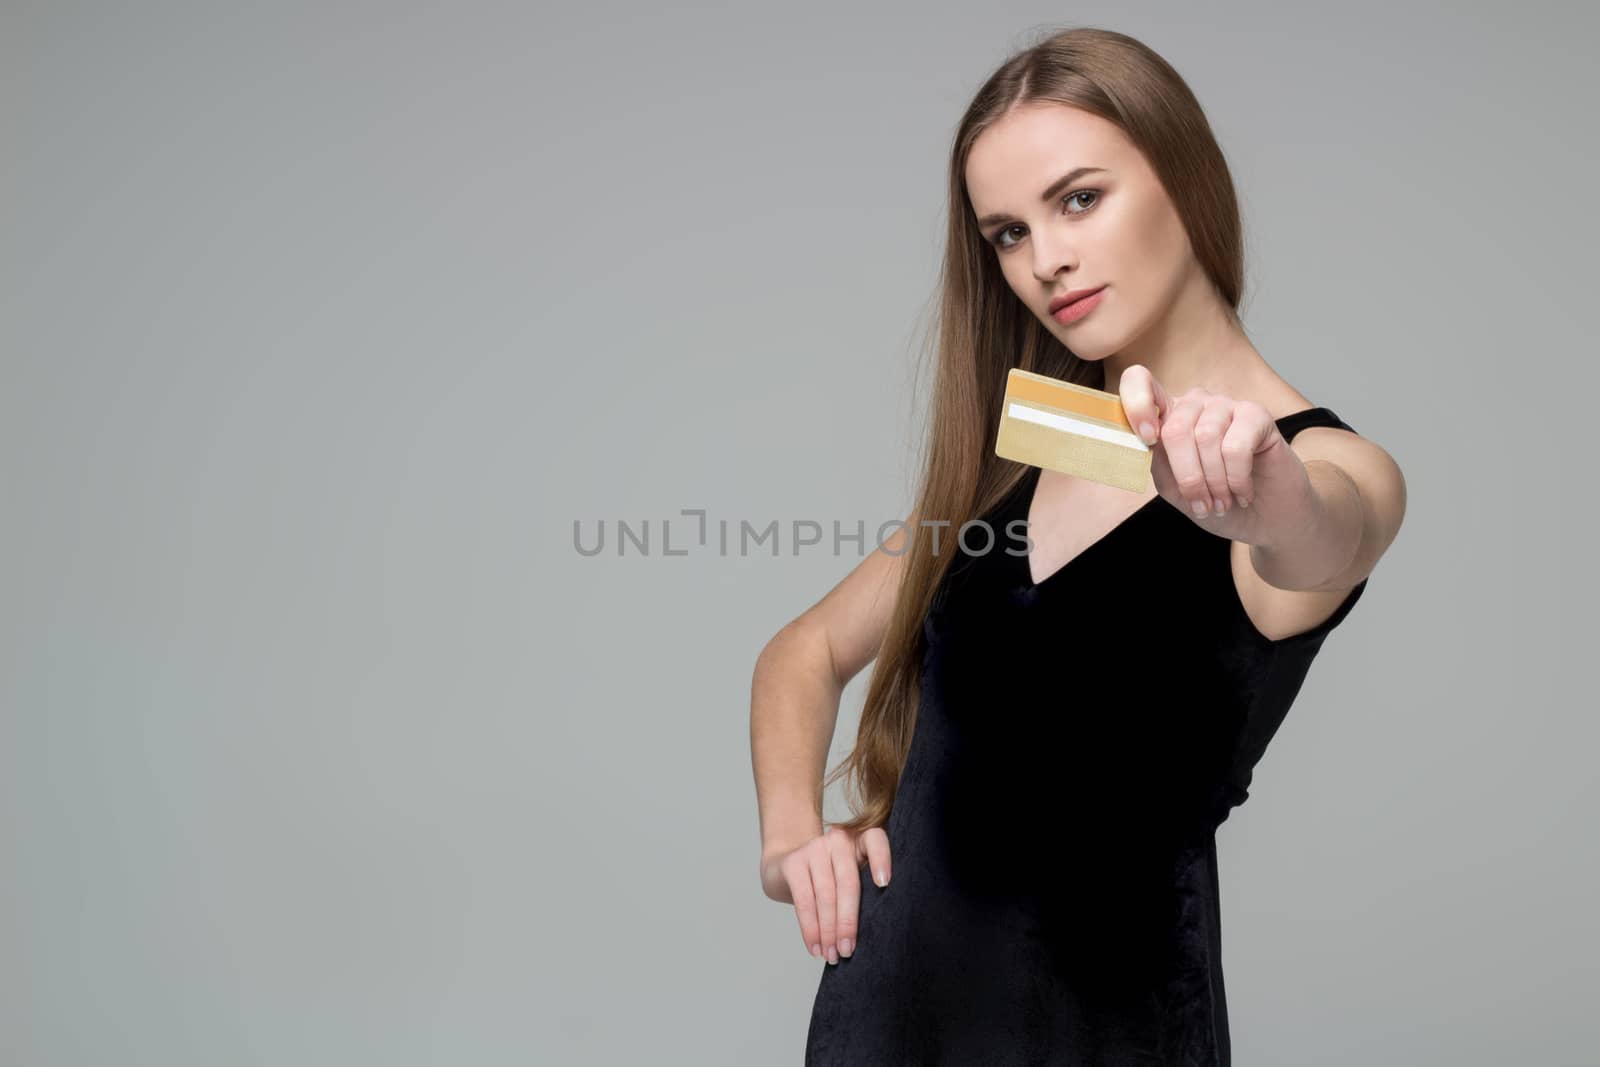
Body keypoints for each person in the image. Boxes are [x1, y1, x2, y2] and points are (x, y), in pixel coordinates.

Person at [748, 25, 1407, 1066]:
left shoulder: (1324, 463)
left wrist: (1262, 495)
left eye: (1078, 199)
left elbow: (1321, 534)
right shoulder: (1034, 449)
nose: (1045, 259)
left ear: (1180, 174)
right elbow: (802, 649)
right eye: (1006, 233)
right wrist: (793, 838)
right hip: (882, 1027)